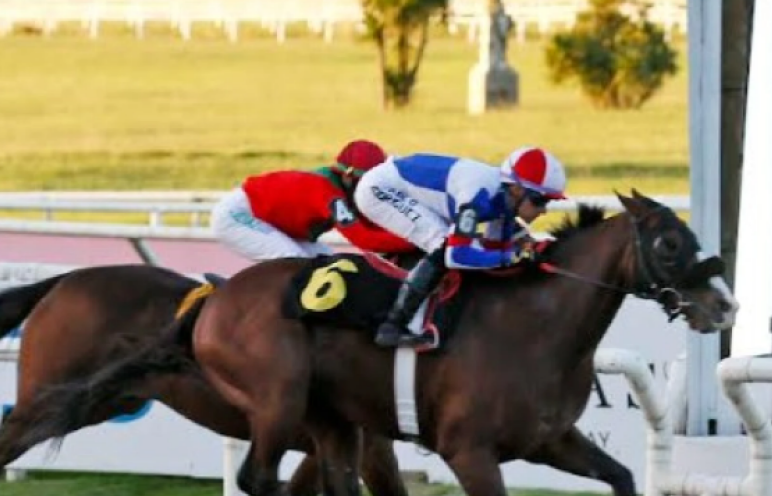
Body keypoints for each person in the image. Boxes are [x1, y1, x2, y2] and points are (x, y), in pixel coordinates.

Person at [354, 146, 567, 347]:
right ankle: (393, 325)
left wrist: (520, 251)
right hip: (380, 188)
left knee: (466, 246)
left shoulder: (505, 197)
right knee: (443, 244)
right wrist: (511, 256)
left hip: (410, 187)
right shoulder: (478, 194)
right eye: (540, 201)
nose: (544, 211)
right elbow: (457, 256)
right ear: (518, 189)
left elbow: (496, 249)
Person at [209, 139, 417, 263]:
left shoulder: (348, 187)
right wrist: (420, 240)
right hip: (239, 214)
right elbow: (364, 239)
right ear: (346, 176)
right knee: (296, 264)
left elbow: (375, 227)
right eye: (365, 181)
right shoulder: (327, 193)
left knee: (330, 266)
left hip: (280, 225)